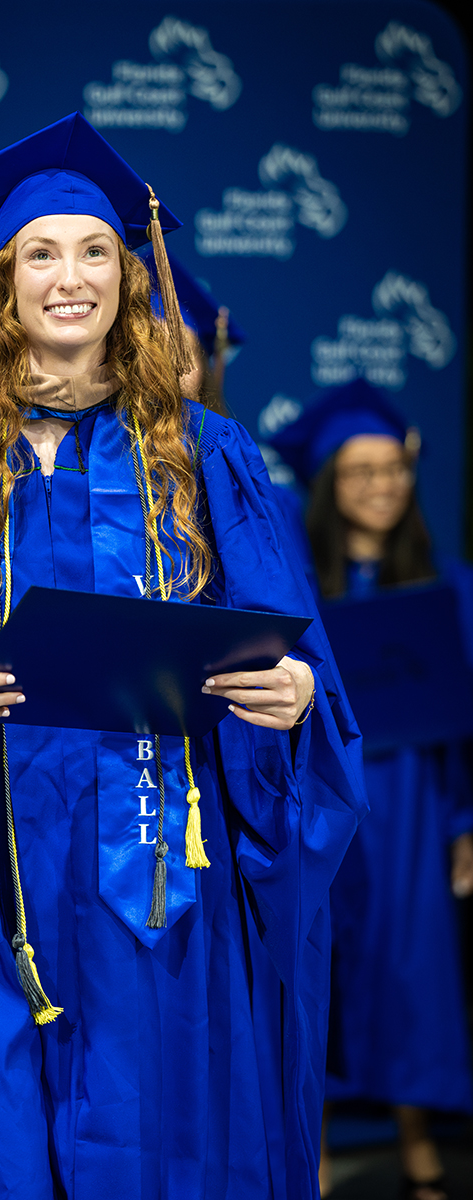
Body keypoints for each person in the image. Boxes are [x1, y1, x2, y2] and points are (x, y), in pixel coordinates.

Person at [0, 112, 365, 1200]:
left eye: (96, 251)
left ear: (130, 283)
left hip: (156, 894)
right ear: (1, 285)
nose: (71, 276)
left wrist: (291, 695)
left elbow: (295, 660)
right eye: (40, 253)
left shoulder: (201, 455)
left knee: (152, 1151)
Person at [269, 378, 473, 1200]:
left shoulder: (448, 586)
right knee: (317, 967)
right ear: (325, 485)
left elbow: (464, 726)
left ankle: (419, 1143)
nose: (380, 485)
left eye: (393, 468)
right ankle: (308, 1156)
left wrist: (466, 821)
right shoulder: (293, 592)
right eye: (358, 472)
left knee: (412, 970)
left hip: (418, 808)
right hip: (320, 802)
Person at [138, 246, 246, 415]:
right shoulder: (103, 439)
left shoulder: (225, 440)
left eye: (183, 354)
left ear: (203, 367)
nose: (171, 367)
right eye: (156, 351)